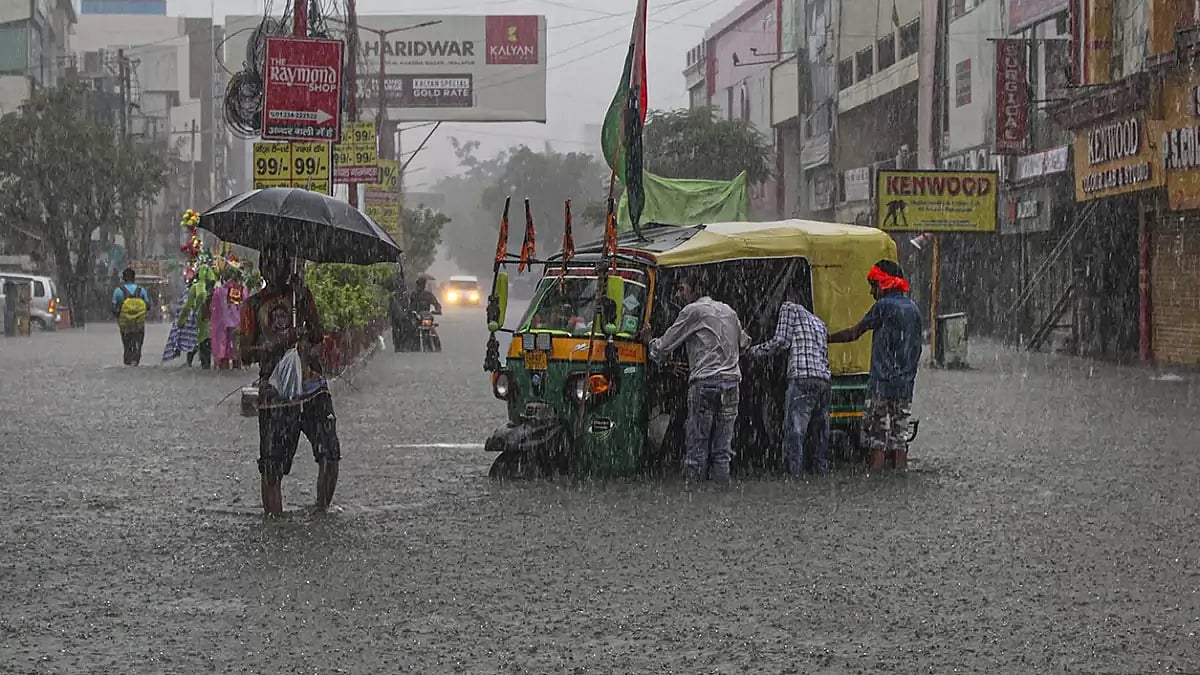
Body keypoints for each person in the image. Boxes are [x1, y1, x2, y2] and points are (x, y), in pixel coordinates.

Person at [239, 244, 340, 515]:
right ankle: (276, 520)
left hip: (313, 385)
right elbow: (245, 354)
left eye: (279, 263)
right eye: (268, 263)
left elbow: (319, 333)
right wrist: (277, 344)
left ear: (289, 265)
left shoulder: (300, 296)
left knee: (330, 454)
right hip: (275, 394)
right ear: (261, 267)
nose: (273, 270)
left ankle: (321, 510)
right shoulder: (253, 305)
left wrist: (303, 300)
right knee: (272, 464)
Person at [641, 274, 750, 484]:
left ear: (697, 290)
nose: (677, 294)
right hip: (731, 383)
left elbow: (663, 347)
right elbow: (744, 343)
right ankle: (720, 502)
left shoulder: (692, 311)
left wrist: (650, 342)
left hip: (705, 383)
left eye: (682, 289)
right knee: (722, 449)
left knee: (697, 447)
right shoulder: (729, 311)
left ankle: (695, 498)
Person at [829, 260, 923, 471]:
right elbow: (917, 350)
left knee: (876, 440)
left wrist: (824, 337)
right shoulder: (913, 309)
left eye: (874, 286)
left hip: (881, 385)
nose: (872, 292)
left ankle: (874, 482)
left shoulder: (884, 306)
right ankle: (899, 479)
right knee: (900, 440)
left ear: (884, 284)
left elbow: (854, 333)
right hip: (905, 386)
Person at [749, 291, 832, 476]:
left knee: (795, 429)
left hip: (802, 377)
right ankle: (821, 472)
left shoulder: (789, 308)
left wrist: (755, 352)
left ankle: (793, 474)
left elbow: (781, 342)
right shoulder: (819, 323)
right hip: (824, 380)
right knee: (820, 432)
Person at [112, 268, 150, 366]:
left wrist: (119, 315)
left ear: (123, 279)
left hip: (125, 324)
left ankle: (128, 360)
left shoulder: (118, 291)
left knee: (126, 345)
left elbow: (114, 308)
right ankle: (136, 360)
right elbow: (148, 306)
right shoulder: (141, 290)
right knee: (138, 344)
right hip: (139, 323)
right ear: (134, 278)